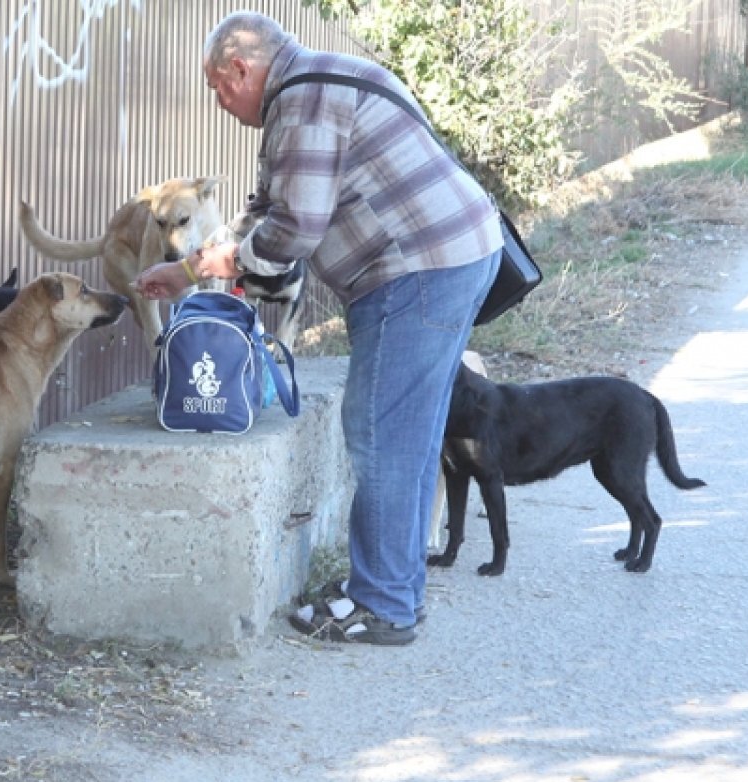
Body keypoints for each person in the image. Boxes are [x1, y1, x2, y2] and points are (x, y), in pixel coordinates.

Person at [135, 11, 503, 645]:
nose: (218, 102)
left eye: (216, 87)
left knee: (379, 431)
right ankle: (397, 590)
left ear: (240, 69)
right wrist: (193, 269)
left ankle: (381, 603)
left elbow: (295, 230)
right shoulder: (318, 81)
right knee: (407, 432)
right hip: (456, 253)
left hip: (414, 270)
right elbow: (266, 211)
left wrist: (213, 265)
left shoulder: (303, 103)